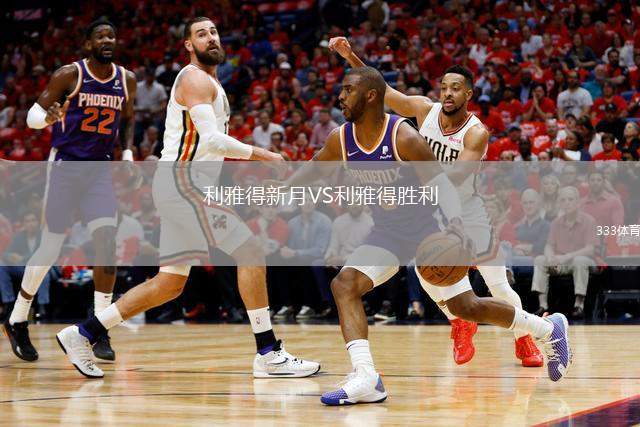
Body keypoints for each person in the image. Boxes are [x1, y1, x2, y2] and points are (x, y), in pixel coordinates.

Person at [56, 17, 319, 380]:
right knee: (250, 251)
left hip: (182, 184)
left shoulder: (210, 81)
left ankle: (83, 333)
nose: (210, 37)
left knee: (170, 283)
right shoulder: (194, 79)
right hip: (184, 182)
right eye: (201, 34)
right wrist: (263, 155)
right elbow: (211, 140)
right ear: (188, 45)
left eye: (214, 32)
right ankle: (267, 352)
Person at [331, 37, 550, 368]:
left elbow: (456, 177)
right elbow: (382, 92)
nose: (448, 93)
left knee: (498, 285)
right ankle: (459, 322)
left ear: (468, 95)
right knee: (429, 273)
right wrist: (351, 57)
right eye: (444, 87)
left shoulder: (476, 133)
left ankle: (525, 339)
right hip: (431, 213)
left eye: (456, 88)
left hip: (468, 213)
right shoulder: (424, 110)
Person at [3, 19, 137, 363]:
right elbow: (32, 117)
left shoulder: (126, 79)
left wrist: (127, 152)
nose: (107, 40)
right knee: (50, 247)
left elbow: (128, 118)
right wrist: (49, 118)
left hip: (100, 170)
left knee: (106, 242)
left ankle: (99, 326)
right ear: (88, 44)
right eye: (100, 36)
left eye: (111, 35)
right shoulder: (69, 75)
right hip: (65, 166)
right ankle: (17, 318)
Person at [532, 186, 596, 319]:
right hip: (560, 262)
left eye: (570, 199)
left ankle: (579, 305)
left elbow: (590, 249)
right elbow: (549, 245)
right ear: (560, 203)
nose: (567, 203)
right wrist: (550, 258)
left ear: (578, 201)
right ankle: (543, 306)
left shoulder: (589, 221)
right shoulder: (556, 222)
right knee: (540, 260)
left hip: (581, 260)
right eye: (563, 200)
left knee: (580, 261)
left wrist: (566, 257)